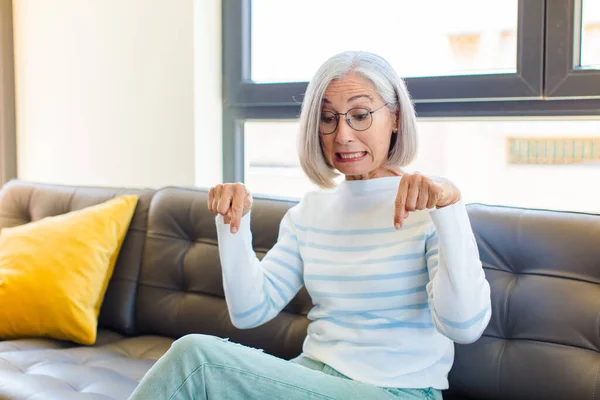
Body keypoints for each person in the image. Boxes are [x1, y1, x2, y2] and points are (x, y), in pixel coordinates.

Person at [128, 51, 492, 400]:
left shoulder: (430, 205)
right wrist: (232, 221)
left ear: (395, 117)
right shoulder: (311, 211)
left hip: (396, 390)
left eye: (361, 115)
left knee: (197, 360)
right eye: (328, 117)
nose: (343, 135)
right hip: (311, 378)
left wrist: (450, 209)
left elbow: (464, 326)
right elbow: (249, 310)